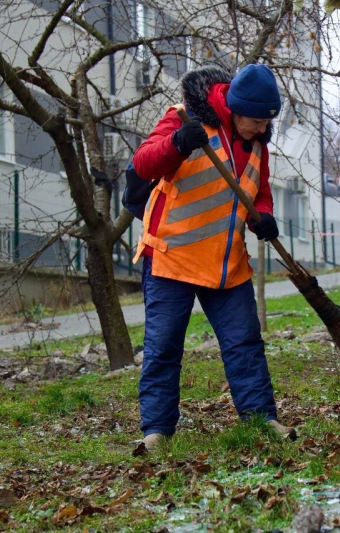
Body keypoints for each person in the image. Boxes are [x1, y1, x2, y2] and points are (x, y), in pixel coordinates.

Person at [131, 64, 295, 451]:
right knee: (164, 346)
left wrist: (265, 216)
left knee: (244, 344)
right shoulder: (183, 117)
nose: (262, 129)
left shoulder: (256, 144)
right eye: (256, 120)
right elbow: (143, 163)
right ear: (236, 108)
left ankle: (261, 419)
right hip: (172, 256)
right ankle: (156, 432)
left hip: (226, 264)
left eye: (267, 121)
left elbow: (260, 191)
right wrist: (176, 145)